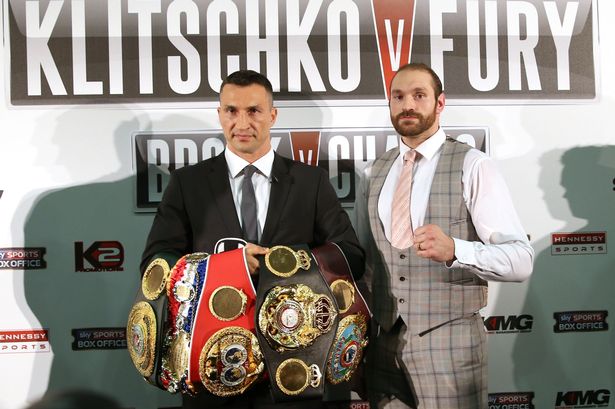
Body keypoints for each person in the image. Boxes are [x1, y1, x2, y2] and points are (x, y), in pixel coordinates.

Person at [141, 69, 364, 409]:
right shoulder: (187, 184)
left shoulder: (311, 182)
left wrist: (288, 265)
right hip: (212, 368)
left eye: (254, 111)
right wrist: (224, 269)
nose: (242, 122)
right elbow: (155, 265)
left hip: (295, 368)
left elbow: (350, 256)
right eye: (231, 111)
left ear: (272, 116)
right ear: (220, 115)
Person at [357, 63, 534, 409]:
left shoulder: (473, 165)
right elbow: (365, 261)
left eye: (419, 95)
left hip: (451, 348)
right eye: (398, 96)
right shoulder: (374, 171)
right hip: (383, 346)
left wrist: (457, 249)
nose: (407, 104)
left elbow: (521, 260)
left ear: (440, 103)